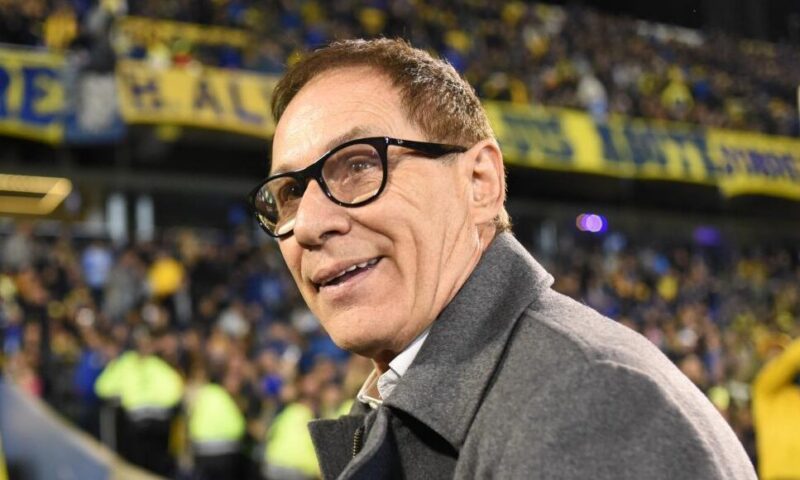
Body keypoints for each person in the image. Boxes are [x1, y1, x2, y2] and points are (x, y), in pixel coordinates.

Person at [249, 38, 756, 479]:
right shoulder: (432, 391)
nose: (308, 224)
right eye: (290, 192)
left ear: (480, 183)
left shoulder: (587, 404)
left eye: (359, 164)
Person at [752, 335, 800, 480]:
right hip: (778, 474)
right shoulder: (762, 389)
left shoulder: (793, 393)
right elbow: (790, 361)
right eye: (770, 355)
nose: (775, 360)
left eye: (779, 354)